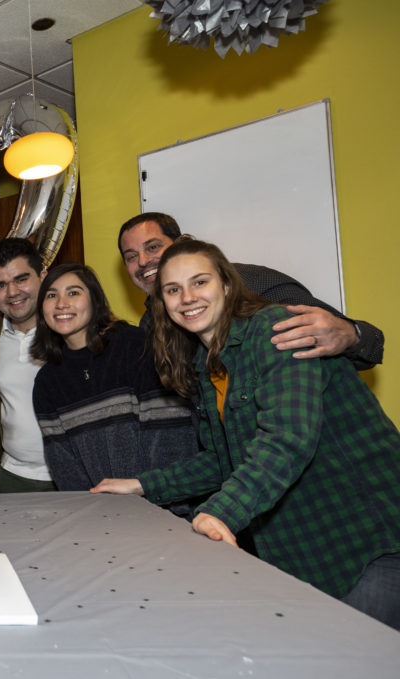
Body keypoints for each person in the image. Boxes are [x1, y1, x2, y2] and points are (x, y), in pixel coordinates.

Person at [92, 238, 400, 630]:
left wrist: (219, 511)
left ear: (226, 285)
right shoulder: (208, 363)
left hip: (370, 540)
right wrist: (141, 485)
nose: (187, 297)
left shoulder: (272, 330)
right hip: (307, 553)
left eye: (199, 282)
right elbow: (223, 461)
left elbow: (287, 439)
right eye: (173, 290)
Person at [117, 212, 384, 369]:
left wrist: (352, 334)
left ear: (180, 244)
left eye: (153, 247)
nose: (142, 262)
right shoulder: (150, 324)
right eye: (131, 256)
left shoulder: (251, 281)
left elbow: (367, 344)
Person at [31, 264, 195, 494]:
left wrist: (150, 496)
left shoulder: (137, 346)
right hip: (100, 513)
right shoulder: (47, 382)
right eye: (51, 295)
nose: (61, 303)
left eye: (74, 292)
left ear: (95, 301)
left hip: (162, 503)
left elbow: (170, 437)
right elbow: (64, 464)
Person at [0, 238, 54, 493]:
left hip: (69, 475)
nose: (12, 292)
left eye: (21, 279)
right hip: (11, 474)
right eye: (0, 285)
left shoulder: (69, 328)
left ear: (43, 277)